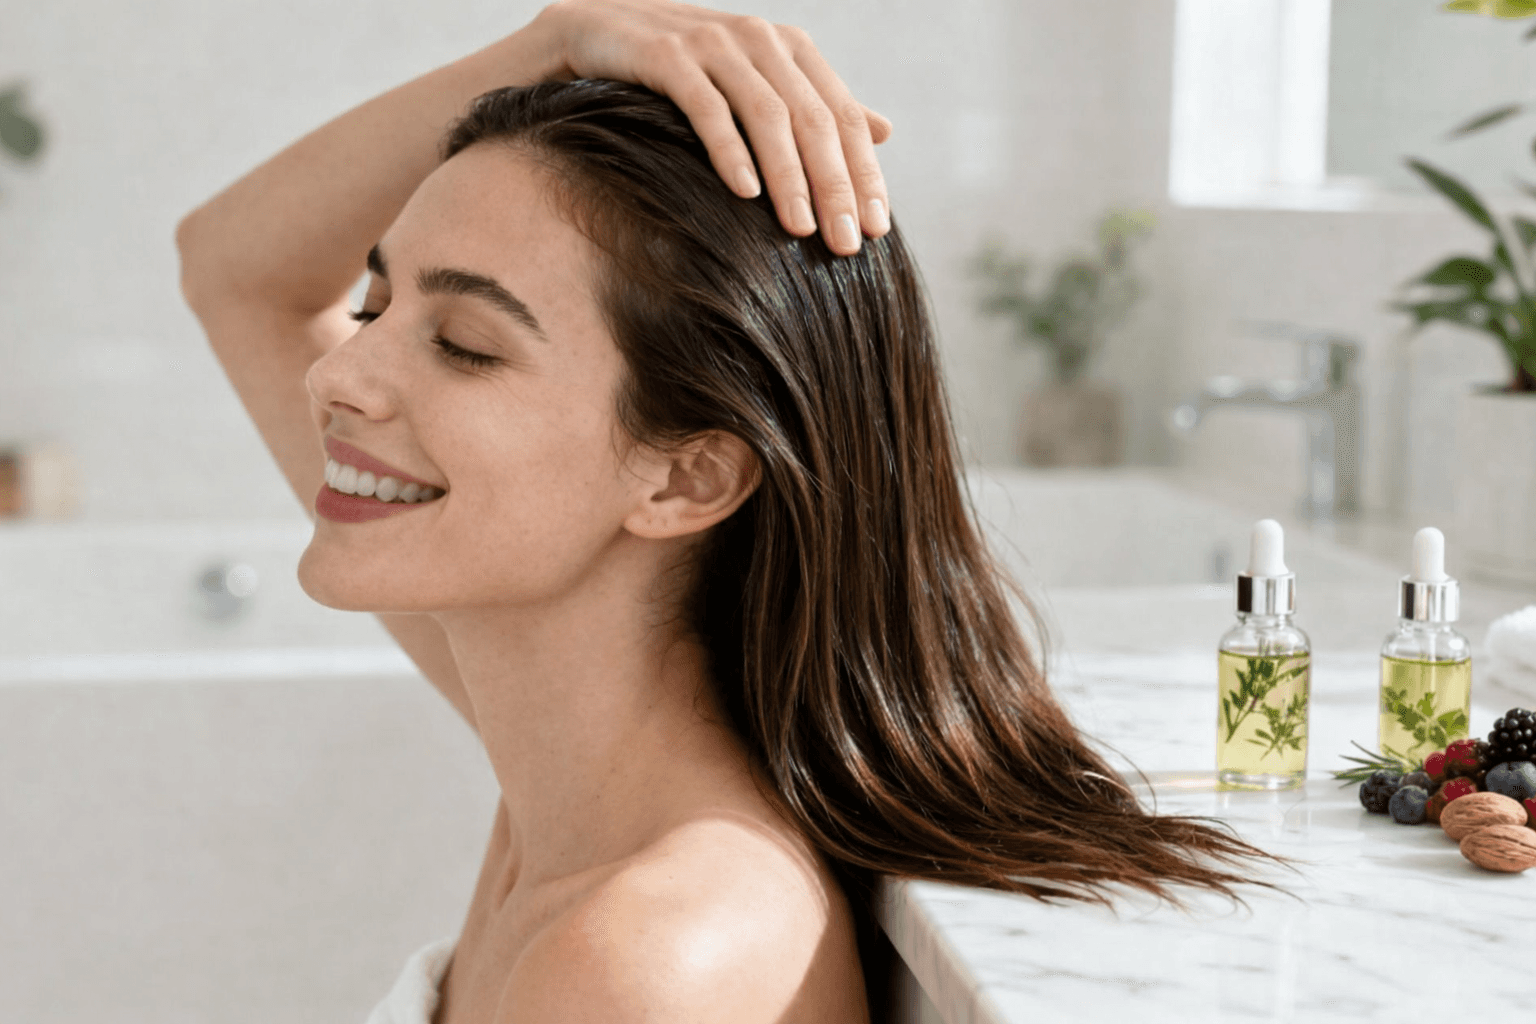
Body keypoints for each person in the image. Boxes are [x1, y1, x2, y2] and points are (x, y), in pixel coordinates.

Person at [176, 1, 1295, 1020]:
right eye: (376, 304)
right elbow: (234, 270)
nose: (342, 375)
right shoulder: (571, 768)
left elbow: (237, 276)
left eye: (464, 346)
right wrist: (559, 41)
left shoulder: (647, 959)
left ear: (685, 478)